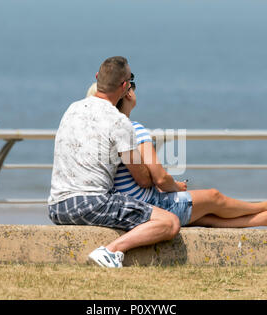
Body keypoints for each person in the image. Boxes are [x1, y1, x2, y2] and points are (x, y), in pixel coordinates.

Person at [86, 81, 267, 230]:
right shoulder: (134, 128)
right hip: (147, 207)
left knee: (205, 215)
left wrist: (165, 185)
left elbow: (134, 177)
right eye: (132, 86)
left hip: (123, 206)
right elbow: (159, 177)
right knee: (213, 197)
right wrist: (173, 187)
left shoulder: (104, 131)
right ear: (127, 95)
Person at [48, 56, 182, 269]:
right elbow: (143, 180)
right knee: (170, 222)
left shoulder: (72, 108)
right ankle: (110, 251)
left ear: (97, 78)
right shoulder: (119, 121)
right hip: (89, 204)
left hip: (56, 206)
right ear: (124, 86)